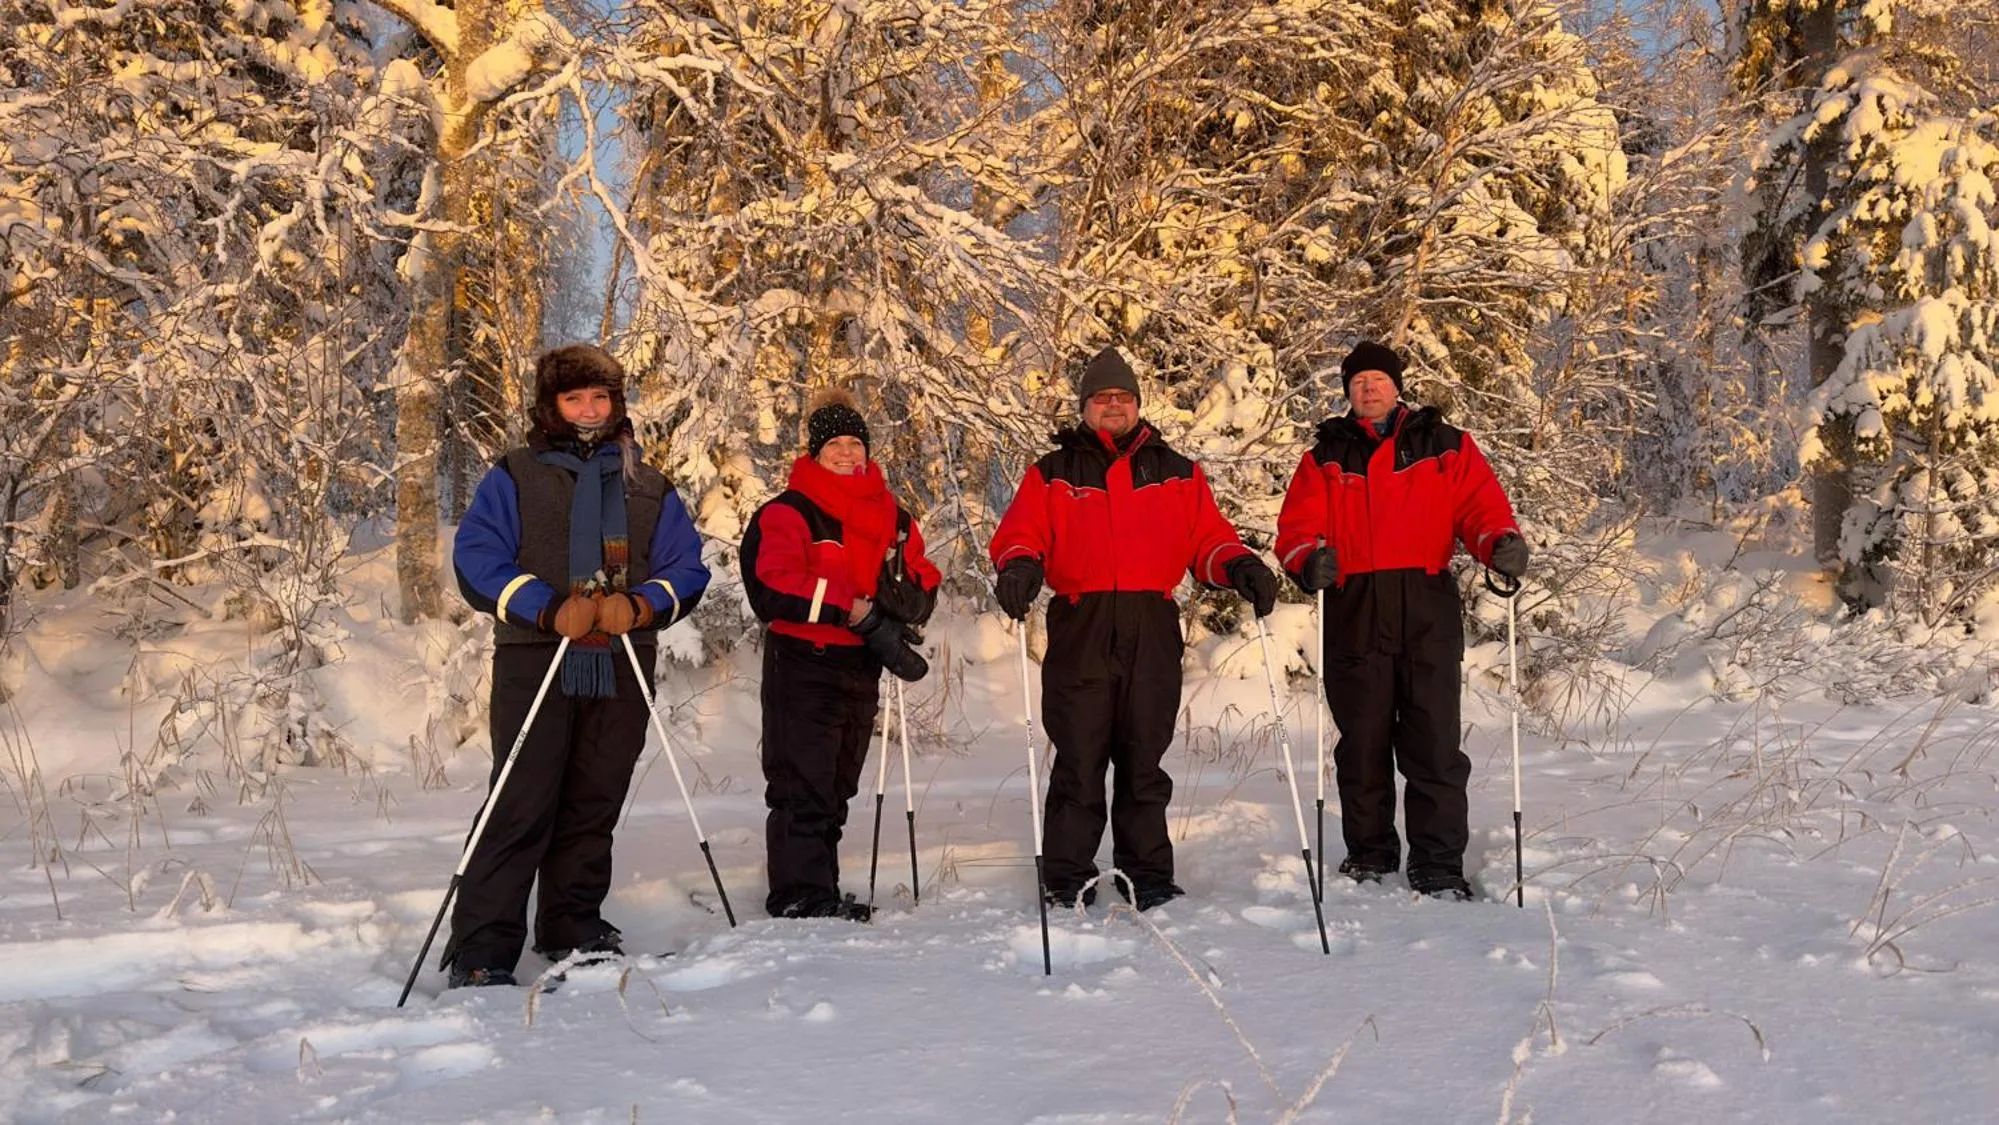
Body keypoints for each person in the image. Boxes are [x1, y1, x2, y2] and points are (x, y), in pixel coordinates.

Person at [444, 343, 712, 986]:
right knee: (521, 799)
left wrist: (643, 605)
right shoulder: (515, 474)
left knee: (594, 800)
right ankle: (483, 947)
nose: (590, 410)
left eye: (601, 398)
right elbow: (478, 558)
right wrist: (544, 608)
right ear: (552, 406)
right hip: (538, 658)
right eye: (575, 398)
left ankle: (573, 924)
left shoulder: (648, 484)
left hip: (620, 661)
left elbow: (687, 566)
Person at [989, 346, 1278, 912]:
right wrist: (1020, 565)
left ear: (1138, 404)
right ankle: (1066, 876)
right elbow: (1021, 534)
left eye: (1122, 397)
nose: (1112, 406)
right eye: (1101, 398)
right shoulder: (1053, 473)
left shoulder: (1175, 472)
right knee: (1080, 754)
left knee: (1143, 756)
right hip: (1082, 622)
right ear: (1085, 407)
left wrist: (1238, 564)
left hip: (1151, 623)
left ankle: (1146, 874)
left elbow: (1208, 539)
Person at [1274, 340, 1528, 900]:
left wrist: (1500, 543)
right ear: (1347, 392)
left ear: (1397, 386)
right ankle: (1370, 852)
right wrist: (1308, 558)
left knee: (1433, 740)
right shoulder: (1326, 455)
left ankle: (1437, 862)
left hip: (1425, 603)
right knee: (1362, 740)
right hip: (1355, 605)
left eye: (1379, 380)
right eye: (1359, 381)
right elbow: (1296, 528)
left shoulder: (1443, 445)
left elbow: (1480, 511)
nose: (1370, 389)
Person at [739, 387, 940, 921]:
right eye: (836, 445)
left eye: (856, 443)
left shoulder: (893, 516)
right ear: (814, 452)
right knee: (801, 780)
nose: (848, 453)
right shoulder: (789, 512)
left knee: (837, 781)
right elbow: (772, 586)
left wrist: (911, 599)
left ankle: (819, 890)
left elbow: (921, 572)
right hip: (804, 662)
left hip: (862, 663)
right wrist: (848, 608)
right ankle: (799, 895)